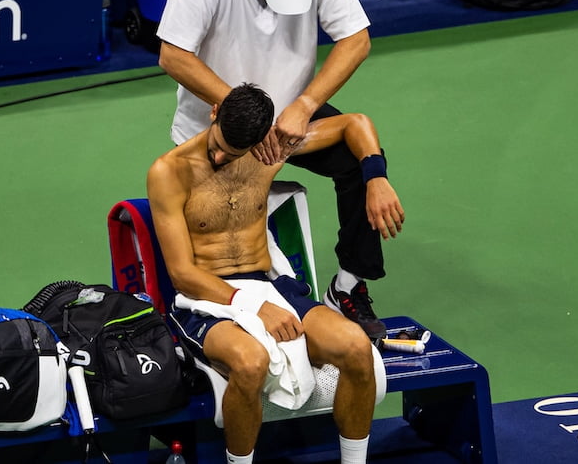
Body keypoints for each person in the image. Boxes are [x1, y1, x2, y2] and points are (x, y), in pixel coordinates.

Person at [156, 0, 395, 338]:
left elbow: (356, 40)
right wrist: (245, 114)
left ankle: (349, 284)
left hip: (288, 122)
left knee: (358, 164)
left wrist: (305, 104)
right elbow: (173, 56)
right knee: (219, 247)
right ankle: (206, 321)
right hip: (221, 129)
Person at [146, 83, 404, 464]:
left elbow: (357, 124)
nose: (217, 155)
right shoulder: (169, 171)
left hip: (269, 285)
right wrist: (254, 307)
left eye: (231, 153)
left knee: (356, 349)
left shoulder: (271, 151)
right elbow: (183, 275)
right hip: (205, 299)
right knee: (251, 363)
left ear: (260, 142)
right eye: (217, 144)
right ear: (214, 112)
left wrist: (376, 177)